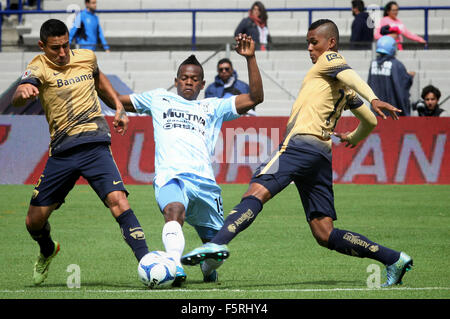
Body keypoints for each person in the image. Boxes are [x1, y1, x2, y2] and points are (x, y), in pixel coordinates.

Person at [182, 19, 414, 288]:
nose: (310, 48)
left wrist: (373, 98)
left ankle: (216, 244)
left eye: (314, 42)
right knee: (324, 233)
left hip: (300, 145)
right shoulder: (341, 86)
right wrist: (353, 137)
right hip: (321, 156)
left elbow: (351, 76)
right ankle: (393, 259)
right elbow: (370, 121)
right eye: (307, 43)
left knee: (256, 191)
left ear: (331, 43)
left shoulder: (329, 60)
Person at [108, 34, 263, 285]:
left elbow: (255, 98)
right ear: (176, 81)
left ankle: (207, 269)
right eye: (184, 78)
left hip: (204, 183)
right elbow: (115, 98)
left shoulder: (213, 107)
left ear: (202, 84)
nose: (188, 82)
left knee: (214, 248)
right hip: (171, 175)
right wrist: (93, 76)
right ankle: (174, 265)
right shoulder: (158, 98)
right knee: (173, 212)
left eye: (194, 79)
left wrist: (251, 58)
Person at [11, 19, 149, 285]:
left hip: (95, 142)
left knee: (119, 201)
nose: (62, 53)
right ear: (42, 46)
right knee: (34, 221)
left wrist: (118, 106)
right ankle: (48, 249)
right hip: (62, 151)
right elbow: (19, 93)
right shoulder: (37, 67)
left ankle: (147, 263)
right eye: (55, 48)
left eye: (66, 46)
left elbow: (98, 77)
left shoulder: (85, 57)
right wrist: (22, 91)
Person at [368, 35, 414, 116]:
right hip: (393, 112)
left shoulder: (373, 64)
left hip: (376, 111)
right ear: (392, 48)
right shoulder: (397, 65)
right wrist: (409, 77)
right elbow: (402, 86)